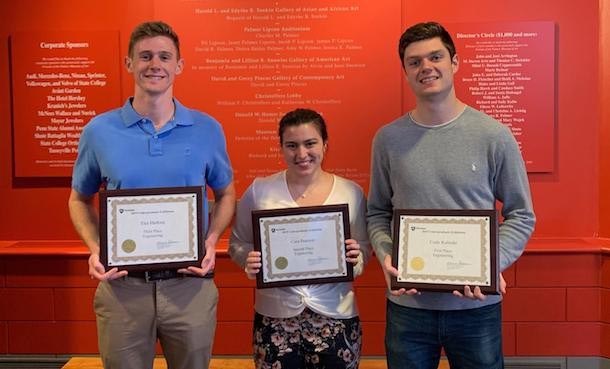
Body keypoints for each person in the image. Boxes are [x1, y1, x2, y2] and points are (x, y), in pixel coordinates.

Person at [367, 22, 535, 369]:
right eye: (414, 62)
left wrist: (490, 265)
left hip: (475, 310)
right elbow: (377, 213)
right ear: (406, 72)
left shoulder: (494, 135)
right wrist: (386, 256)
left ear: (454, 63)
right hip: (408, 311)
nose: (425, 67)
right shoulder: (387, 140)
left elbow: (521, 214)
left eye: (435, 57)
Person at [67, 21, 235, 369]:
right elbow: (78, 199)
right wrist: (97, 249)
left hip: (189, 287)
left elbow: (226, 193)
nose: (154, 64)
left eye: (164, 56)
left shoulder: (207, 129)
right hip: (123, 290)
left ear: (179, 65)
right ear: (129, 64)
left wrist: (212, 240)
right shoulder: (99, 131)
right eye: (144, 56)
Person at [229, 108, 370, 369]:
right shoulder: (260, 190)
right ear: (281, 148)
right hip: (275, 317)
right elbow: (238, 243)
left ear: (325, 145)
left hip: (336, 315)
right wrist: (248, 261)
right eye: (292, 145)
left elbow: (364, 247)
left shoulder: (351, 192)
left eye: (310, 143)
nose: (302, 154)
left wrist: (357, 257)